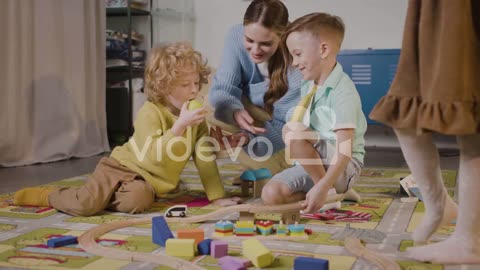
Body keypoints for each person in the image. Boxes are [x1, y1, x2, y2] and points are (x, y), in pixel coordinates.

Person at [13, 42, 242, 216]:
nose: (193, 90)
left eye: (196, 83)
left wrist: (217, 198)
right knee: (86, 205)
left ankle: (105, 195)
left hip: (146, 182)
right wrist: (179, 126)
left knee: (138, 202)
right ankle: (47, 195)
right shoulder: (150, 112)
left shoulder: (196, 120)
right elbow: (152, 154)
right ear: (163, 87)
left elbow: (204, 159)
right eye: (185, 85)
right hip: (121, 167)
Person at [369, 0, 479, 264]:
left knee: (472, 118)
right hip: (433, 9)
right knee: (404, 111)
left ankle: (470, 240)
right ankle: (439, 205)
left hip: (458, 9)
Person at [261, 12, 367, 213]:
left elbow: (344, 152)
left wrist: (323, 185)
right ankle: (336, 192)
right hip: (317, 163)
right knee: (271, 195)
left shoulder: (343, 93)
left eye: (298, 54)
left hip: (343, 165)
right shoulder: (308, 85)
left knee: (293, 131)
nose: (293, 62)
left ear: (323, 49)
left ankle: (328, 191)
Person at [208, 0, 302, 175]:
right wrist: (234, 112)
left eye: (266, 43)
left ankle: (282, 167)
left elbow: (286, 127)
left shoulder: (296, 63)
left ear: (282, 38)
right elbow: (222, 88)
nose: (255, 50)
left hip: (281, 127)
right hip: (248, 110)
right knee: (206, 100)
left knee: (275, 175)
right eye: (249, 40)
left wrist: (248, 138)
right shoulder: (235, 35)